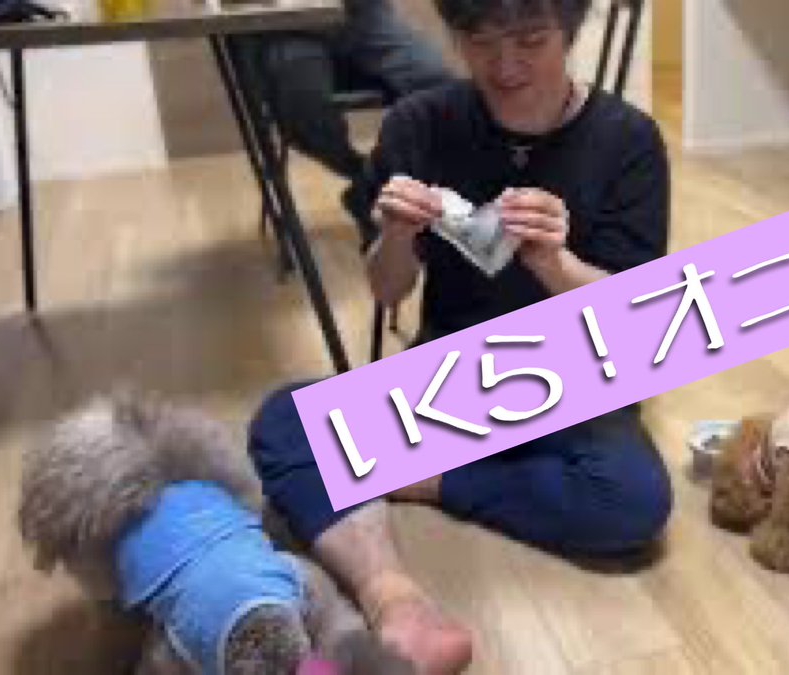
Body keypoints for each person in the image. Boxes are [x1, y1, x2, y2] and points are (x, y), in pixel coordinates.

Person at [247, 1, 672, 672]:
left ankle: (428, 477)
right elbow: (388, 291)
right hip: (456, 376)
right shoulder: (421, 123)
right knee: (281, 422)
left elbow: (636, 323)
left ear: (569, 31)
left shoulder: (628, 140)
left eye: (531, 40)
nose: (505, 65)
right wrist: (396, 235)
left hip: (575, 374)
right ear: (454, 35)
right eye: (480, 40)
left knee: (631, 501)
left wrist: (555, 264)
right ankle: (395, 601)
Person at [244, 0, 456, 179]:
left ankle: (435, 177)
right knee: (303, 108)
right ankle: (369, 179)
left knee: (437, 84)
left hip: (361, 14)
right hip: (284, 28)